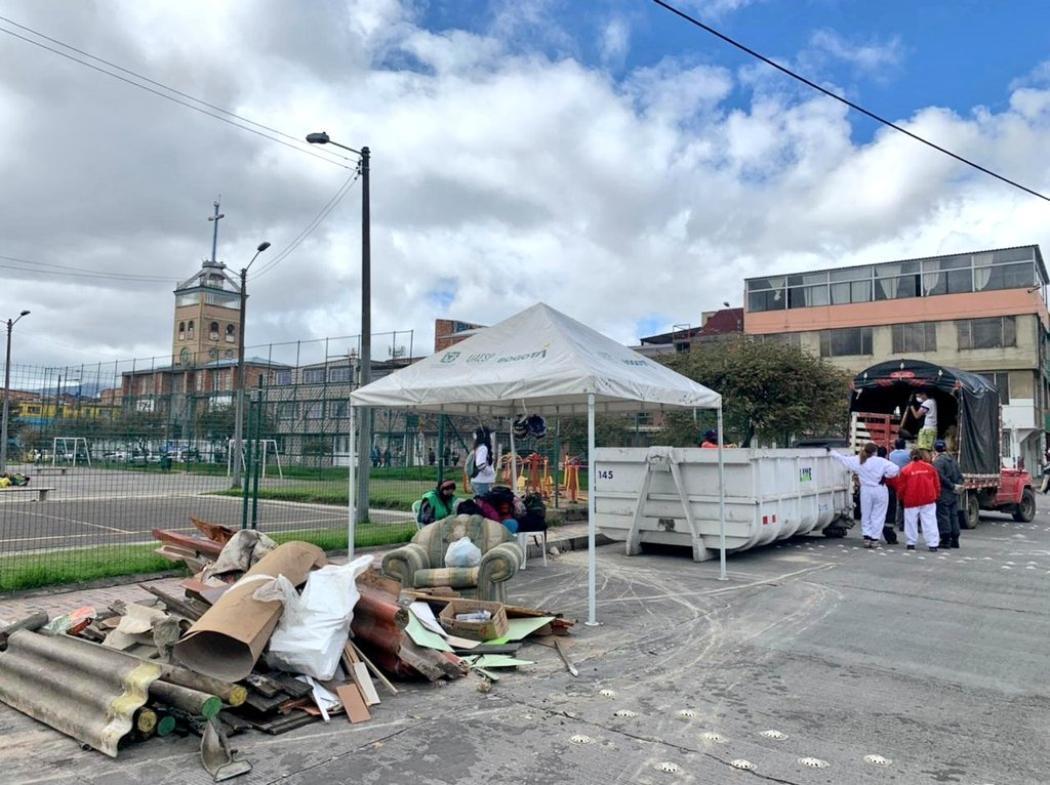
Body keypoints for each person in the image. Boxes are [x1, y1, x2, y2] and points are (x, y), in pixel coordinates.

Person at [828, 443, 900, 548]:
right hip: (879, 489)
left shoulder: (858, 460)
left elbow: (843, 459)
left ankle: (867, 537)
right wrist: (886, 476)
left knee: (866, 514)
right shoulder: (881, 461)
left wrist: (831, 452)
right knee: (878, 514)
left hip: (866, 489)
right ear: (875, 452)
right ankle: (875, 538)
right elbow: (895, 469)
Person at [897, 449, 941, 552]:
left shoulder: (905, 470)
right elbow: (937, 484)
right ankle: (933, 544)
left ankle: (911, 543)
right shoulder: (930, 468)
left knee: (910, 522)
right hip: (928, 499)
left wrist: (901, 499)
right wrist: (937, 496)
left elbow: (901, 487)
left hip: (911, 500)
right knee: (930, 522)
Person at [933, 440, 964, 549]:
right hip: (953, 493)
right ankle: (955, 539)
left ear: (935, 449)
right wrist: (957, 486)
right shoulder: (953, 460)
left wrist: (951, 486)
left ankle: (945, 539)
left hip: (944, 492)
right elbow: (960, 476)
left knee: (943, 515)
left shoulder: (938, 462)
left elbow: (940, 477)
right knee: (953, 515)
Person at [876, 446, 898, 544]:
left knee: (874, 513)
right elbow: (894, 480)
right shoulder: (889, 465)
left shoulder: (870, 463)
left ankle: (870, 536)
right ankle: (890, 536)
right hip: (888, 490)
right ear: (886, 454)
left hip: (871, 489)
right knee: (889, 514)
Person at [470, 426, 496, 495]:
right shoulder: (483, 448)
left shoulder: (478, 447)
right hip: (482, 482)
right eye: (489, 434)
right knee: (483, 504)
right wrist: (489, 472)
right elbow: (480, 464)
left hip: (478, 481)